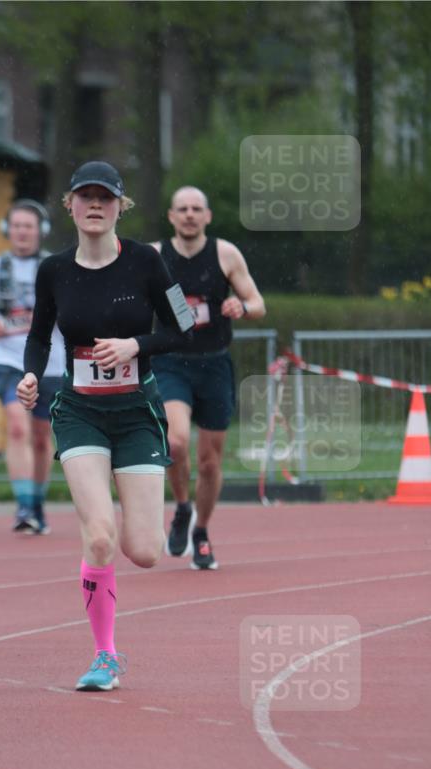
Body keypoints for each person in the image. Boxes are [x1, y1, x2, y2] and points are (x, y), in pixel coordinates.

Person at [16, 162, 193, 692]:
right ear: (69, 205)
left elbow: (184, 328)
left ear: (121, 206)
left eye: (106, 198)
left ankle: (156, 512)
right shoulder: (53, 270)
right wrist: (29, 376)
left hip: (137, 412)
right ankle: (106, 656)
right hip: (80, 412)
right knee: (99, 538)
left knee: (144, 551)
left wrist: (138, 345)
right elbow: (38, 335)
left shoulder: (146, 262)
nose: (95, 205)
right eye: (85, 197)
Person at [151, 186, 265, 569]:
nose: (188, 215)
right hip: (171, 363)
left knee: (211, 462)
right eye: (181, 209)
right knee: (176, 441)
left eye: (196, 209)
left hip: (214, 364)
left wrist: (242, 305)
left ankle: (201, 530)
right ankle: (182, 507)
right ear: (171, 216)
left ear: (207, 216)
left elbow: (258, 304)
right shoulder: (155, 255)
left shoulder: (225, 253)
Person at [0, 199, 66, 534]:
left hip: (50, 358)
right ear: (7, 230)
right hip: (8, 356)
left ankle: (38, 502)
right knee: (18, 426)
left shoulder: (55, 266)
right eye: (16, 226)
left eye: (28, 226)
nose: (22, 232)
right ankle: (24, 505)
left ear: (40, 231)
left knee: (43, 437)